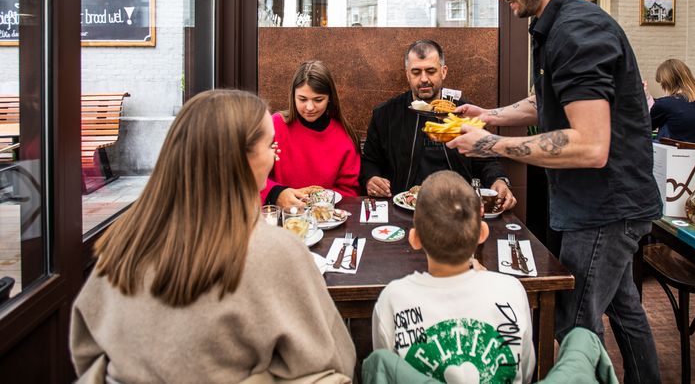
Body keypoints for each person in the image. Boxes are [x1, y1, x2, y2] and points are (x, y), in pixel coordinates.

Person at [447, 0, 662, 384]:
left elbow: (589, 143)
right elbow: (545, 103)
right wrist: (489, 116)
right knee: (625, 311)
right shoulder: (556, 24)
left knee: (573, 323)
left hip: (603, 209)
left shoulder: (577, 31)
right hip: (604, 205)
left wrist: (488, 145)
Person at [70, 89, 355, 383]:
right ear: (242, 159)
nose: (275, 155)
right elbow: (336, 361)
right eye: (270, 145)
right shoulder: (275, 251)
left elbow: (86, 348)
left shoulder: (125, 240)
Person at [371, 171, 534, 383]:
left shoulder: (392, 298)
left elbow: (386, 370)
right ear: (482, 233)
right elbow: (525, 370)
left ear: (414, 239)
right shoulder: (512, 290)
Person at [361, 39, 516, 210]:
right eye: (416, 72)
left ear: (443, 72)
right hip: (403, 207)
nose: (424, 79)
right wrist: (371, 178)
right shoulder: (386, 114)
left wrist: (499, 180)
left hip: (458, 209)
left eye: (431, 71)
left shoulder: (465, 112)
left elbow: (487, 161)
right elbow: (370, 160)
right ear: (407, 74)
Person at [262, 60, 361, 208]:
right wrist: (276, 193)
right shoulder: (275, 125)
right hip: (278, 217)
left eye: (318, 100)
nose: (309, 107)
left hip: (326, 219)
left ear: (329, 99)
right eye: (302, 99)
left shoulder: (344, 136)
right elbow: (249, 171)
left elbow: (349, 192)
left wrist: (317, 203)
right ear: (293, 96)